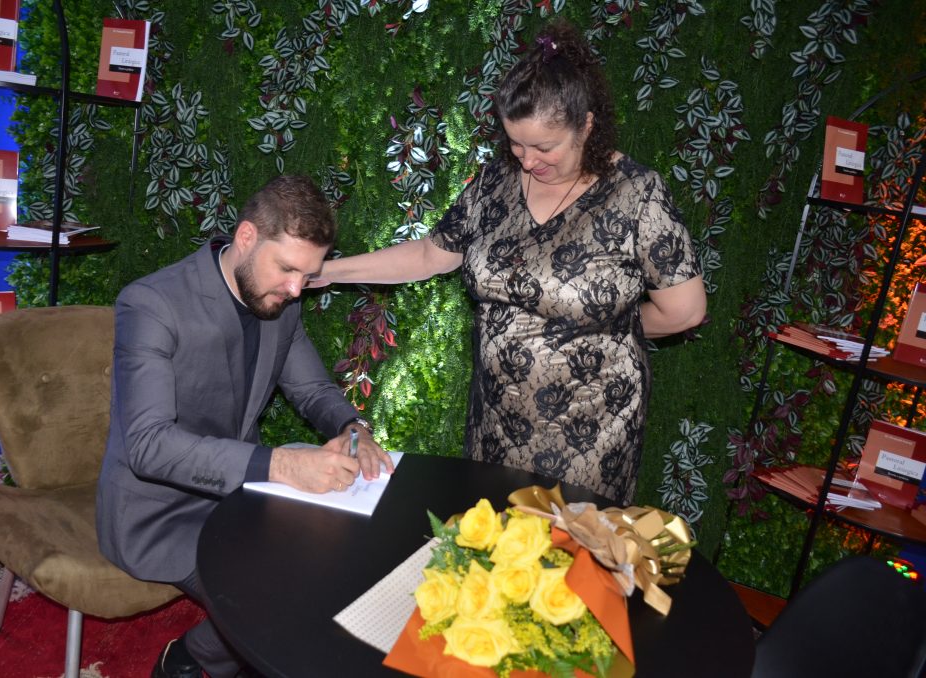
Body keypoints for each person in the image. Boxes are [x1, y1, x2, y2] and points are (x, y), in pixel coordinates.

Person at [313, 21, 705, 505]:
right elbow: (427, 254)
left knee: (567, 564)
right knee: (491, 550)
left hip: (590, 431)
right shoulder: (494, 183)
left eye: (544, 147)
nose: (527, 160)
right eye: (516, 143)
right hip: (496, 423)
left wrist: (606, 326)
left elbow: (685, 311)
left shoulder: (636, 193)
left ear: (587, 126)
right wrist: (324, 271)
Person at [95, 175, 394, 678]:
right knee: (282, 603)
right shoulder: (151, 304)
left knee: (340, 559)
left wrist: (351, 427)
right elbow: (147, 446)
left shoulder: (281, 300)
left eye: (308, 274)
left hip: (240, 494)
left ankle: (199, 653)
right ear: (247, 237)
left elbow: (313, 391)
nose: (298, 288)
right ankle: (193, 662)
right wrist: (278, 464)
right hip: (159, 513)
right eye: (289, 269)